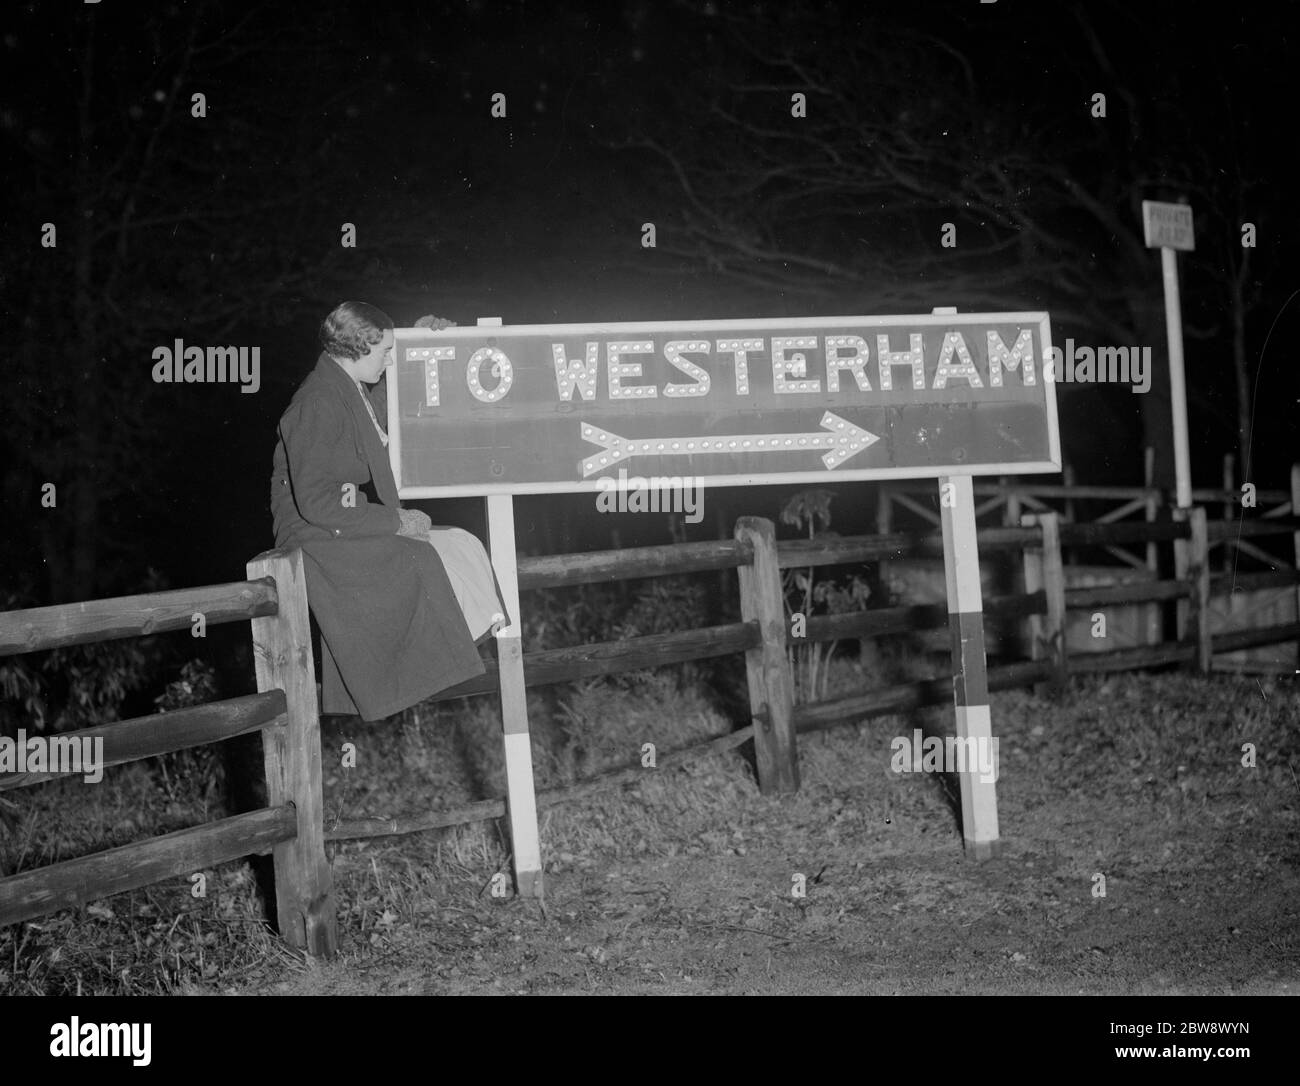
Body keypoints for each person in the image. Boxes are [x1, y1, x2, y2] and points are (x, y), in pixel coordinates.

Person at [269, 301, 508, 721]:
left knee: (457, 542)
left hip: (338, 520)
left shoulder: (347, 386)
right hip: (313, 534)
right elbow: (317, 502)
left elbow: (379, 411)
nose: (391, 360)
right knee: (418, 555)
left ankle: (449, 653)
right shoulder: (318, 403)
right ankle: (420, 673)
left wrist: (419, 341)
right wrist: (394, 521)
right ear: (358, 348)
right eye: (386, 352)